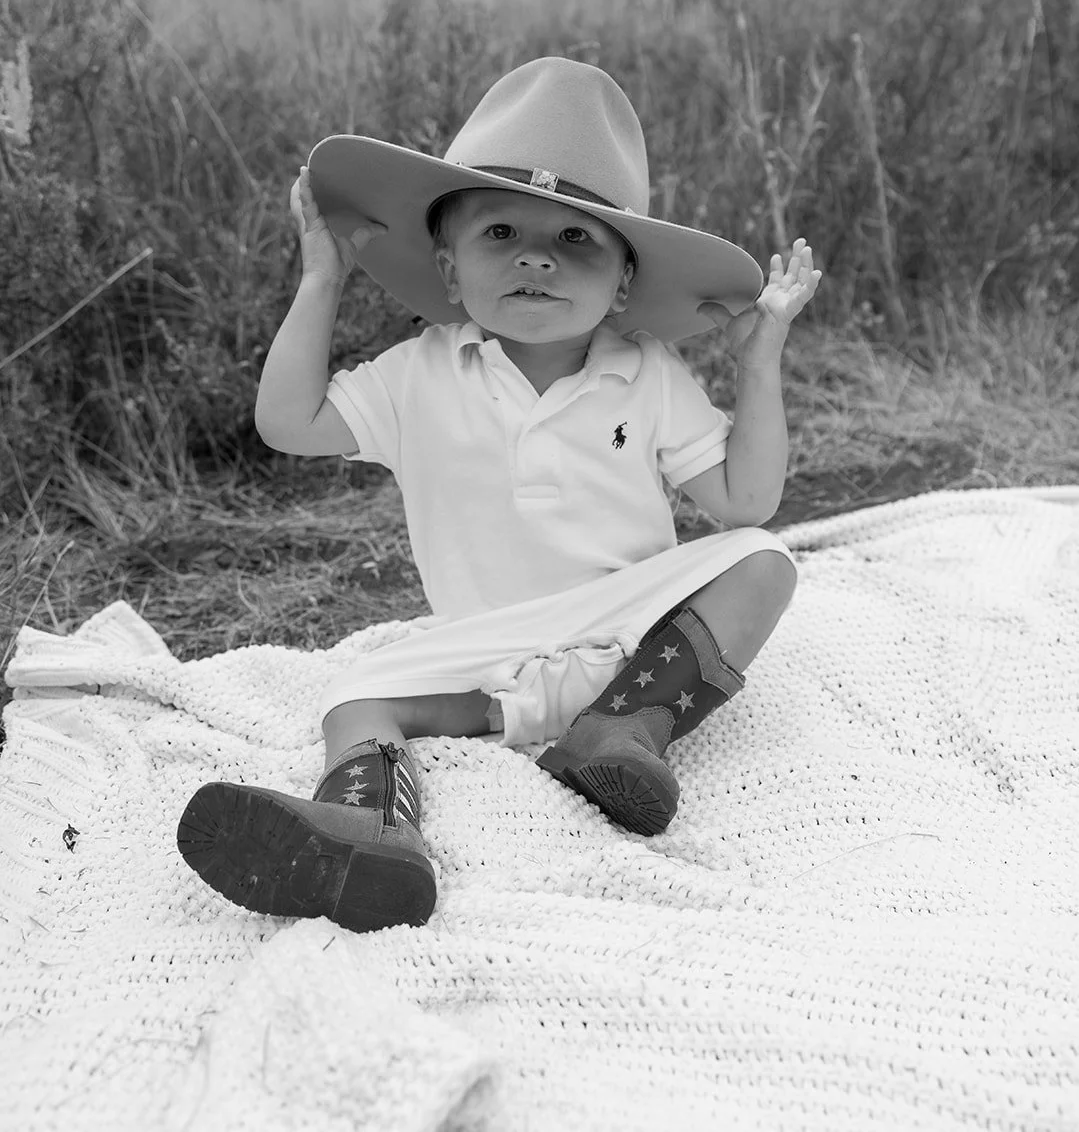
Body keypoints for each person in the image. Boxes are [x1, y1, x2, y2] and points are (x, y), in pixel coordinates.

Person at [177, 56, 821, 934]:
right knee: (353, 696)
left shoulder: (647, 375)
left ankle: (626, 733)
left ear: (623, 283)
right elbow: (289, 422)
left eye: (574, 241)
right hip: (485, 657)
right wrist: (321, 280)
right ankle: (374, 834)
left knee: (762, 559)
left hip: (632, 640)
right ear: (448, 272)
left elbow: (744, 499)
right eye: (500, 235)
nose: (536, 260)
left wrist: (756, 362)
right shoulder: (420, 375)